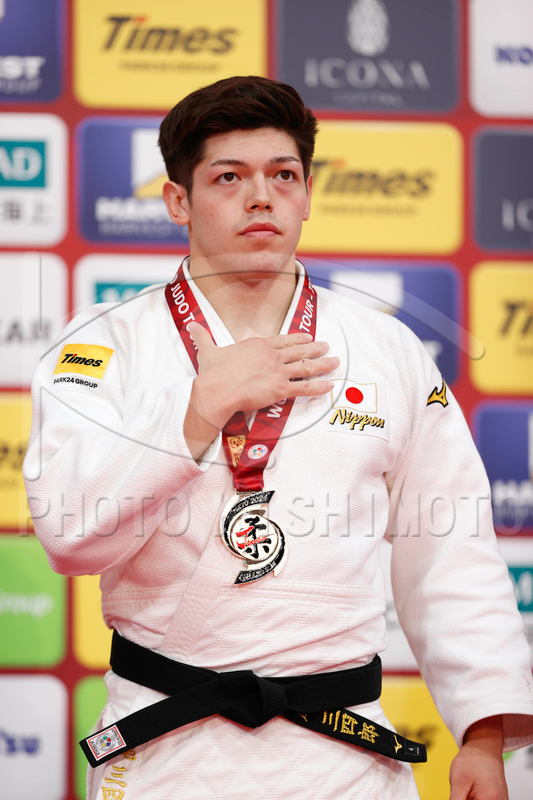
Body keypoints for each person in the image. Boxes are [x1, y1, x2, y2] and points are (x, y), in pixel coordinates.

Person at [24, 76, 533, 800]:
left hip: (344, 757)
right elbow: (71, 537)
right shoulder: (105, 347)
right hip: (169, 750)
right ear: (178, 201)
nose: (261, 197)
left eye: (283, 175)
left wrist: (480, 733)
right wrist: (199, 408)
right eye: (228, 177)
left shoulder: (384, 348)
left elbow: (450, 548)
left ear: (307, 192)